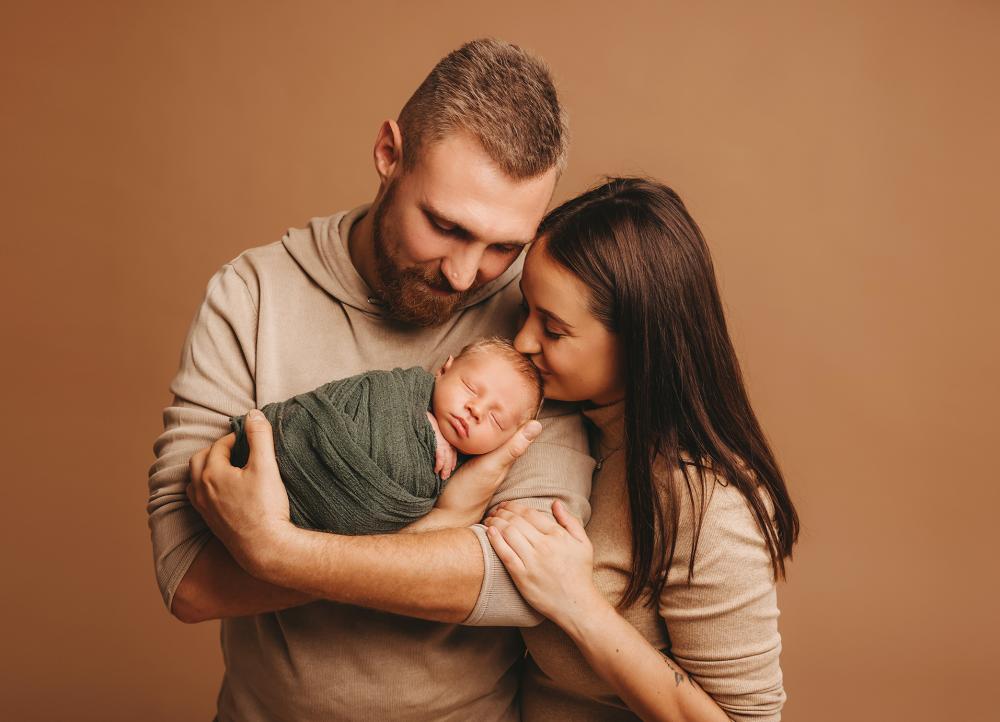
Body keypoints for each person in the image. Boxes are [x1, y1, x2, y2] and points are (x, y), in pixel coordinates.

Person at [148, 39, 596, 721]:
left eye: (504, 244)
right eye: (445, 226)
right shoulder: (254, 294)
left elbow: (520, 579)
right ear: (389, 153)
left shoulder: (533, 317)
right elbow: (190, 582)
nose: (465, 273)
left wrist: (273, 547)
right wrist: (444, 525)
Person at [483, 177, 799, 721]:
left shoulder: (710, 503)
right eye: (526, 312)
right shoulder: (569, 425)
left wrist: (577, 604)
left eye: (554, 330)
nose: (523, 342)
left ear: (638, 341)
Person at [226, 337, 543, 535]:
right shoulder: (397, 391)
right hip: (297, 445)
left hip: (304, 523)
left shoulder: (467, 475)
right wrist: (426, 425)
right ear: (444, 370)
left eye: (495, 419)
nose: (475, 409)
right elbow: (366, 400)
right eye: (471, 388)